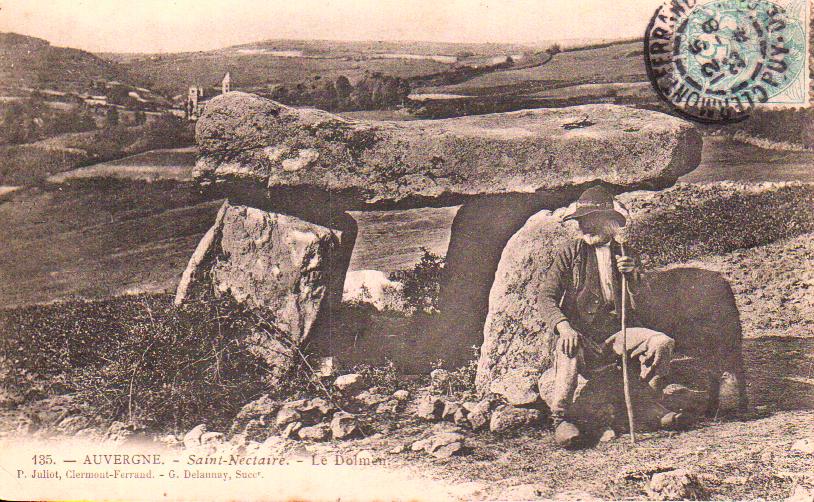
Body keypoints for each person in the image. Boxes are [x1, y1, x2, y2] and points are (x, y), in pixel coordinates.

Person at [538, 186, 690, 448]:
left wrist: (633, 277)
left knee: (662, 343)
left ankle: (646, 399)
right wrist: (563, 327)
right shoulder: (571, 253)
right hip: (581, 336)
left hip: (619, 334)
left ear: (610, 223)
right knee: (568, 345)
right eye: (581, 222)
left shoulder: (625, 253)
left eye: (592, 221)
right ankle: (560, 418)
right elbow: (546, 297)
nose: (585, 228)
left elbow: (644, 304)